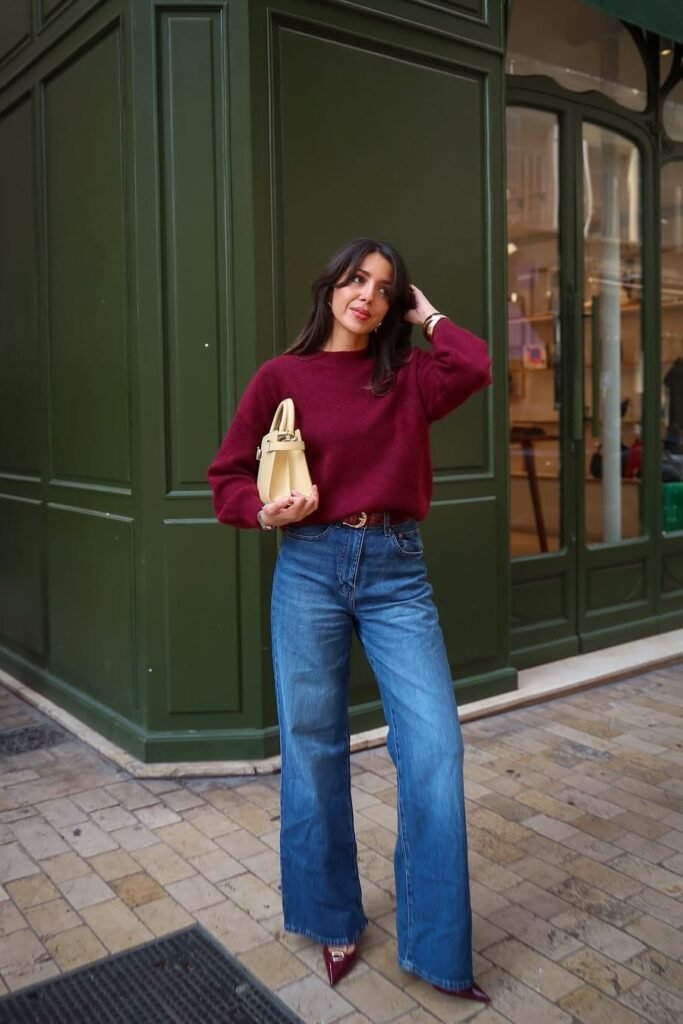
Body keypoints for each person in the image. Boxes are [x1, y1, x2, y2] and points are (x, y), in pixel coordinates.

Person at [208, 237, 492, 1002]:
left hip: (397, 570)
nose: (367, 294)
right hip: (308, 565)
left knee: (433, 747)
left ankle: (436, 947)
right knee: (312, 746)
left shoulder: (407, 376)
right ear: (330, 285)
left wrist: (428, 316)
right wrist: (261, 510)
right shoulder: (281, 376)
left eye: (384, 287)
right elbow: (226, 474)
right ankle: (330, 915)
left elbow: (473, 364)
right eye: (356, 279)